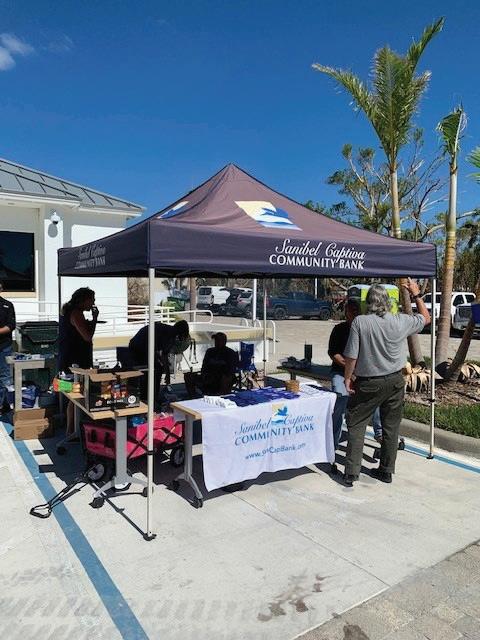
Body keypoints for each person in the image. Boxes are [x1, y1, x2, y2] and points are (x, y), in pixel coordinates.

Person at [342, 279, 430, 486]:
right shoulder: (401, 320)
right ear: (388, 302)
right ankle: (386, 471)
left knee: (356, 423)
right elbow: (426, 318)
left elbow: (351, 356)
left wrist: (347, 378)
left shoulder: (360, 322)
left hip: (368, 383)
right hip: (395, 381)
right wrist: (416, 294)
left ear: (368, 302)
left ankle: (351, 473)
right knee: (391, 427)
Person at [328, 299, 382, 452]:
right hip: (340, 372)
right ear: (346, 313)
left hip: (361, 373)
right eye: (351, 310)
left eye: (356, 309)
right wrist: (349, 369)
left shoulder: (366, 330)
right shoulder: (339, 329)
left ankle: (380, 434)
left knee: (375, 395)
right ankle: (333, 442)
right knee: (340, 397)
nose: (354, 312)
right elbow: (333, 353)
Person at [58, 287, 98, 435]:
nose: (93, 303)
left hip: (69, 359)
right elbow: (87, 337)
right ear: (83, 300)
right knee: (76, 396)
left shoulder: (69, 311)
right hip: (74, 362)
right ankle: (71, 431)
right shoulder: (76, 313)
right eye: (92, 300)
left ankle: (72, 429)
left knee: (75, 395)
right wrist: (94, 319)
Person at [128, 320, 190, 402]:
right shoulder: (170, 334)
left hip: (137, 345)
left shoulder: (168, 330)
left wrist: (167, 373)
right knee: (156, 370)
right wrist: (167, 375)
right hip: (139, 347)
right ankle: (150, 398)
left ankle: (150, 397)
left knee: (156, 368)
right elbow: (164, 355)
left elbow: (162, 354)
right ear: (182, 333)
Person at [184, 332, 239, 398]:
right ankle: (193, 397)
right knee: (188, 376)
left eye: (219, 340)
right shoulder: (210, 351)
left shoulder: (230, 353)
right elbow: (204, 367)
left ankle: (221, 397)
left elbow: (231, 370)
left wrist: (218, 375)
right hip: (208, 376)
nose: (217, 342)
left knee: (226, 378)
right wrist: (205, 375)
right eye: (216, 340)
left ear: (224, 341)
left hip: (222, 377)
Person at [0, 283, 16, 414]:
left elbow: (11, 325)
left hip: (4, 346)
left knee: (4, 377)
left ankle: (3, 405)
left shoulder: (7, 305)